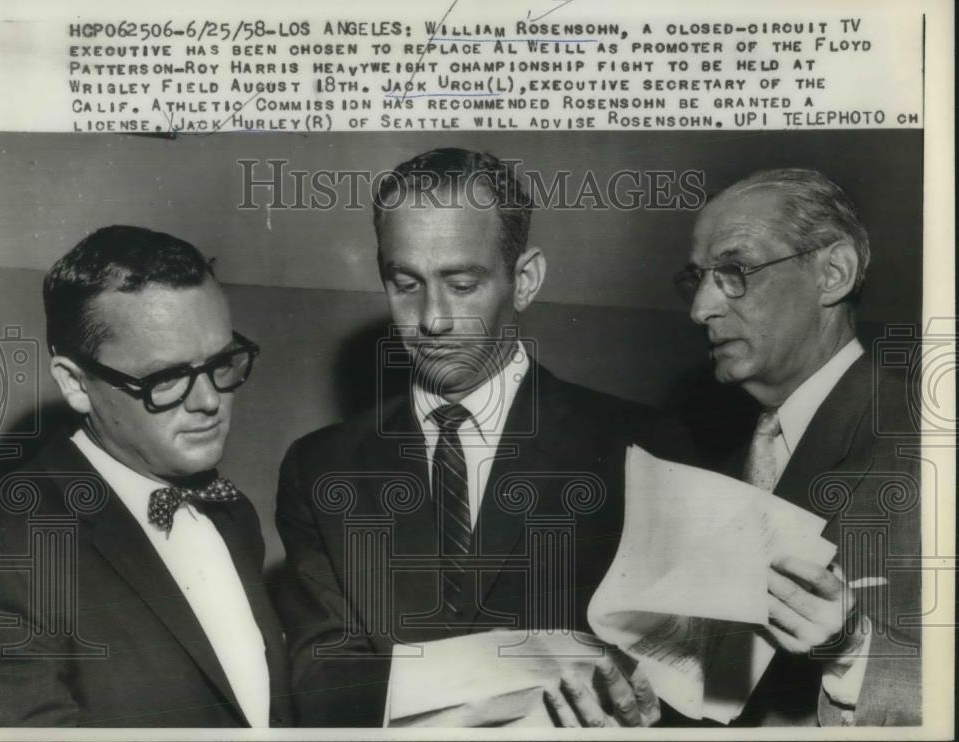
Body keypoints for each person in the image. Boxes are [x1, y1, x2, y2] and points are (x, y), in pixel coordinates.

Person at [275, 148, 662, 727]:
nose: (432, 319)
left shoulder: (640, 447)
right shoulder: (319, 467)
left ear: (524, 280)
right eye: (405, 284)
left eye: (461, 284)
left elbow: (680, 672)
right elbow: (324, 676)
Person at [0, 226, 292, 727]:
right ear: (75, 384)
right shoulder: (2, 546)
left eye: (220, 363)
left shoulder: (232, 511)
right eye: (165, 378)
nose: (210, 400)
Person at [673, 169, 921, 726]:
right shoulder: (724, 467)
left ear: (833, 273)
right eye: (698, 280)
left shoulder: (929, 443)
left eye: (735, 271)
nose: (701, 310)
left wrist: (853, 652)